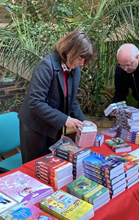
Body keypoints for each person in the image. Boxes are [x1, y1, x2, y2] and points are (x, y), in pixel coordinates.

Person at [18, 30, 95, 163]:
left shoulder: (75, 69)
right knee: (36, 168)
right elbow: (35, 102)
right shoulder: (46, 65)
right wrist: (66, 119)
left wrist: (83, 122)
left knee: (54, 166)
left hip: (53, 124)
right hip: (34, 126)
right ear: (70, 51)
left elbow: (71, 100)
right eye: (80, 58)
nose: (82, 63)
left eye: (84, 60)